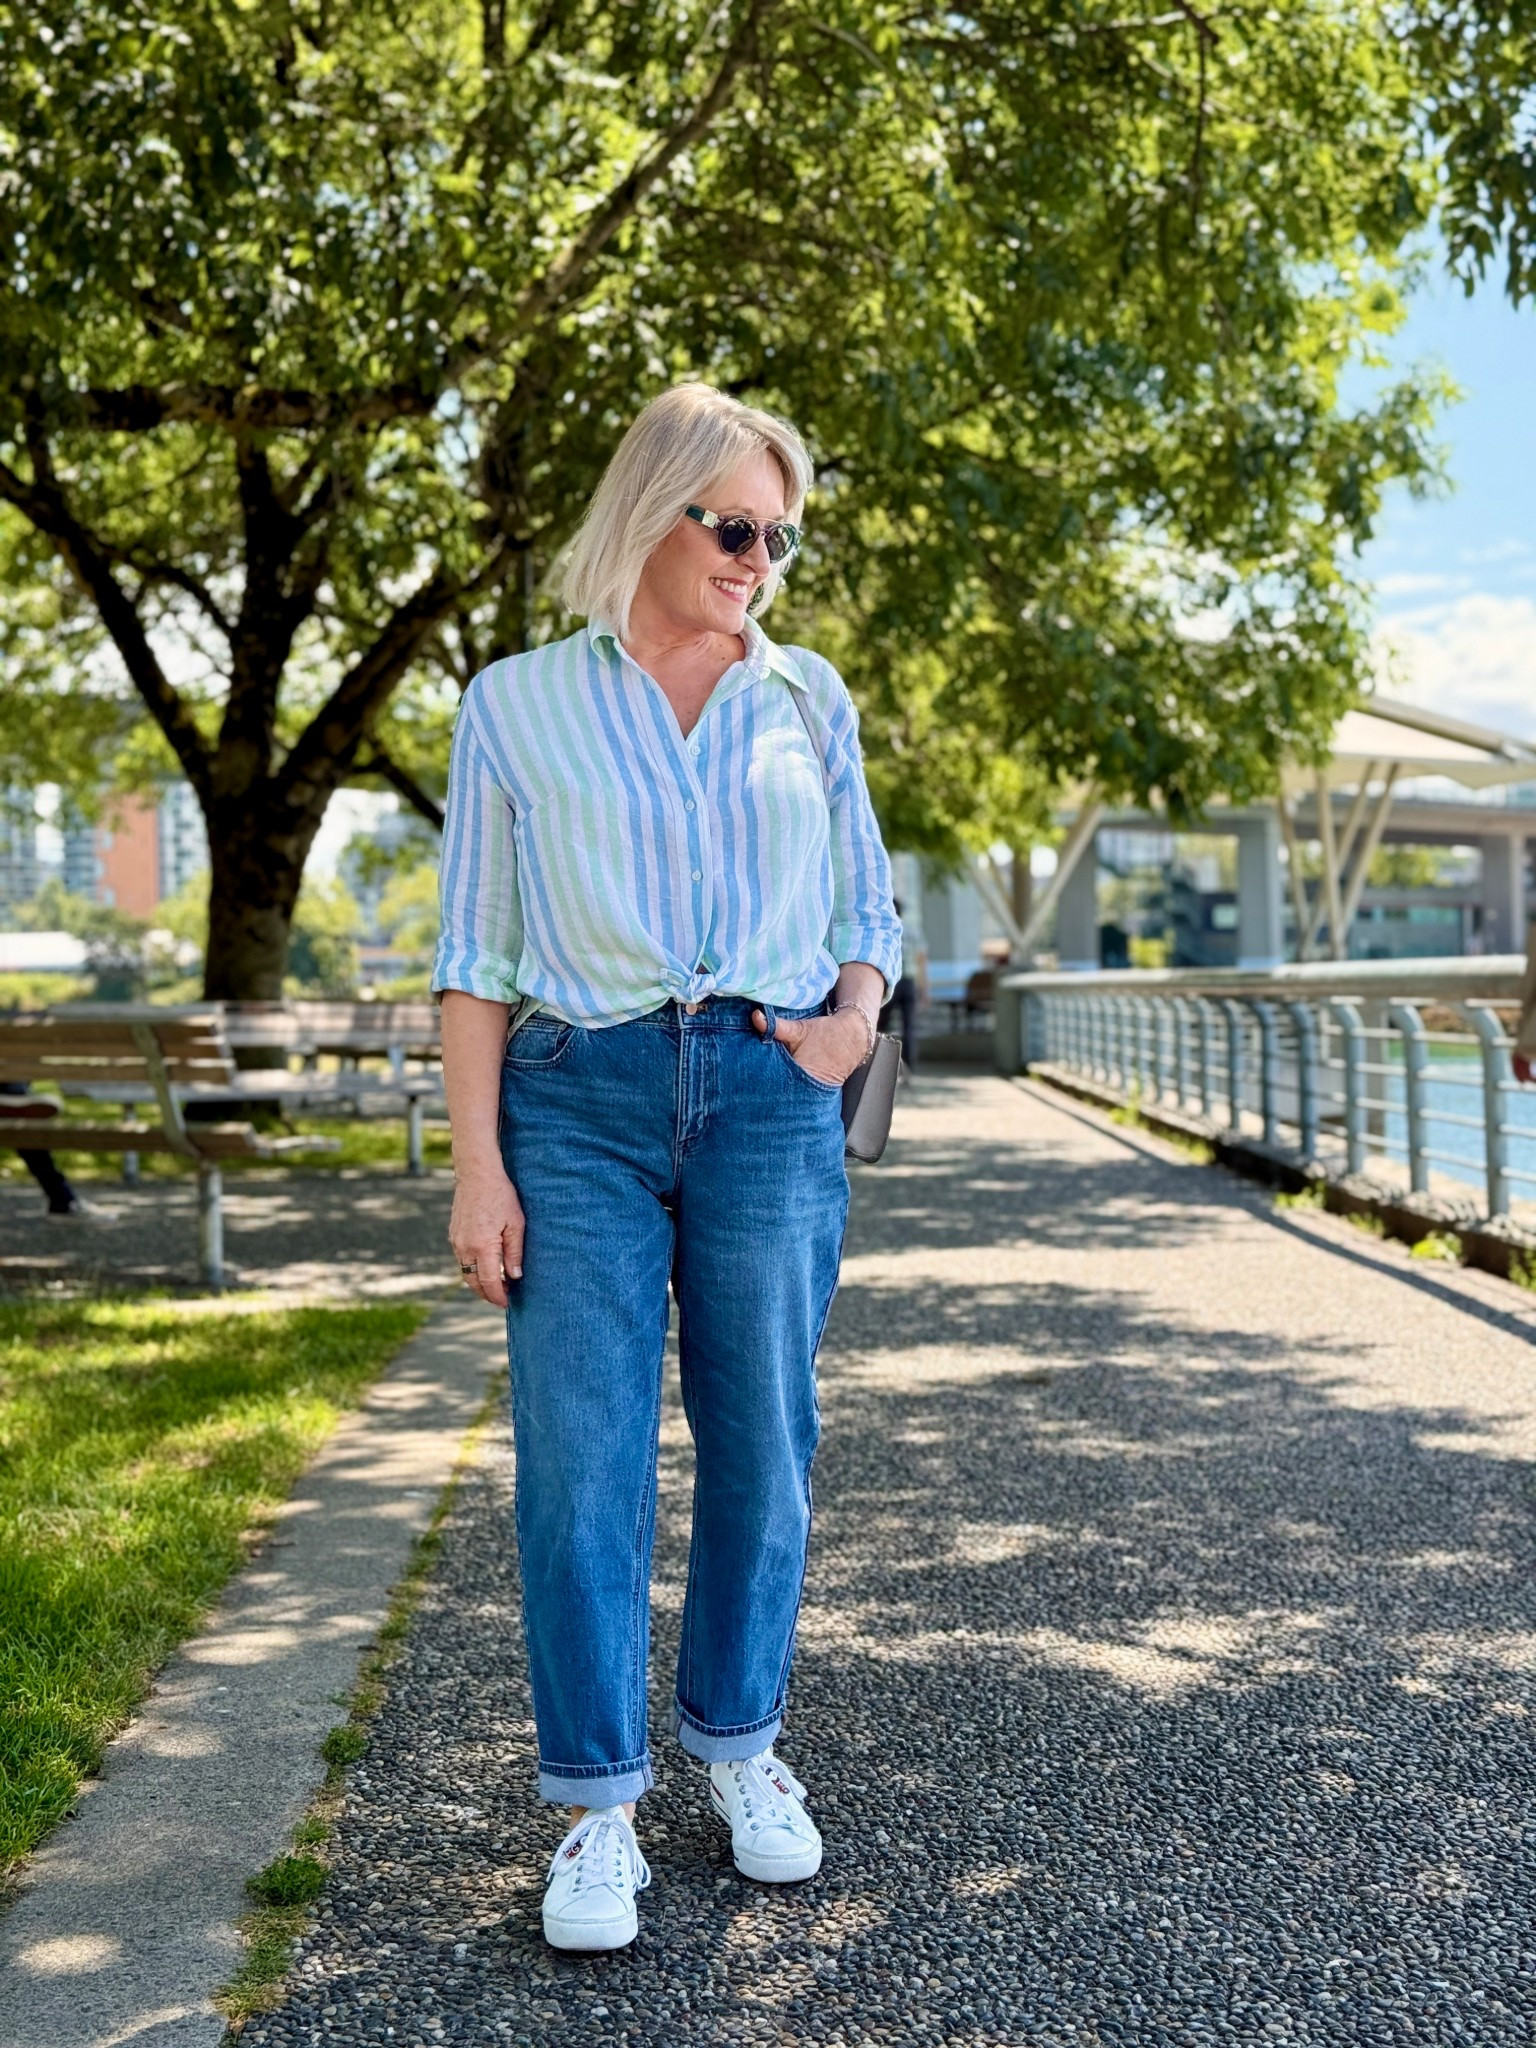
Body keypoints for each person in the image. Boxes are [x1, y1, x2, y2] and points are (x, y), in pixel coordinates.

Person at [433, 383, 900, 1952]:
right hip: (579, 1096)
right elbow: (475, 956)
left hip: (770, 1097)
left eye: (781, 534)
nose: (762, 557)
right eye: (736, 526)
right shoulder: (514, 702)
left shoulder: (808, 700)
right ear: (653, 512)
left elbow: (870, 913)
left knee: (765, 1445)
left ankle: (741, 1750)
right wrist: (476, 1167)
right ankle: (597, 1807)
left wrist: (849, 1028)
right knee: (581, 1461)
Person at [878, 897, 926, 1072]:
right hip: (910, 982)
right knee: (910, 1026)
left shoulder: (886, 929)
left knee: (881, 1025)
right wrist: (924, 989)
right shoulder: (913, 931)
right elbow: (922, 961)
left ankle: (882, 1065)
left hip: (891, 982)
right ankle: (911, 1065)